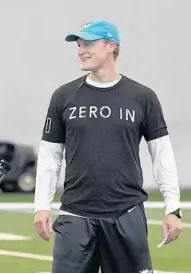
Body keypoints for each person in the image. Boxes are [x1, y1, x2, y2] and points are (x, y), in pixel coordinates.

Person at [33, 18, 183, 273]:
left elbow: (162, 155)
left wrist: (173, 209)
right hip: (74, 217)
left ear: (111, 46)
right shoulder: (63, 96)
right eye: (79, 44)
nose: (81, 50)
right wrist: (41, 206)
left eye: (89, 43)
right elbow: (50, 156)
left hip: (126, 215)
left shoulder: (142, 97)